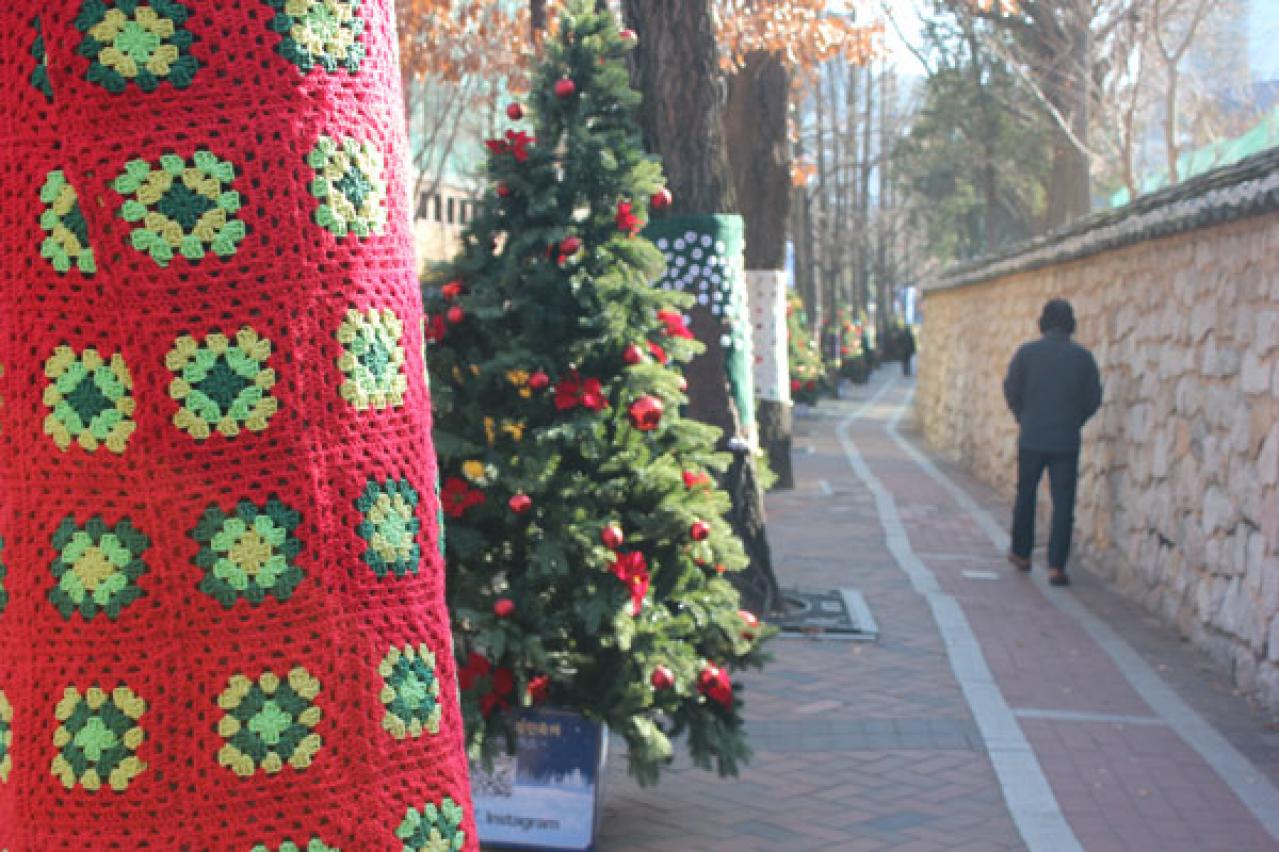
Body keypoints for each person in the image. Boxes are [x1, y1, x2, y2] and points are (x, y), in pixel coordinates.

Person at [1002, 299, 1102, 586]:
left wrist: (1023, 415)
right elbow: (1093, 398)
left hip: (1032, 437)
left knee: (1026, 496)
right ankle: (1057, 565)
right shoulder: (1083, 358)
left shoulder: (1027, 353)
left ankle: (1021, 553)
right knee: (1063, 503)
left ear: (1043, 322)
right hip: (1066, 441)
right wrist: (1075, 420)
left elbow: (1011, 388)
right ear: (1071, 324)